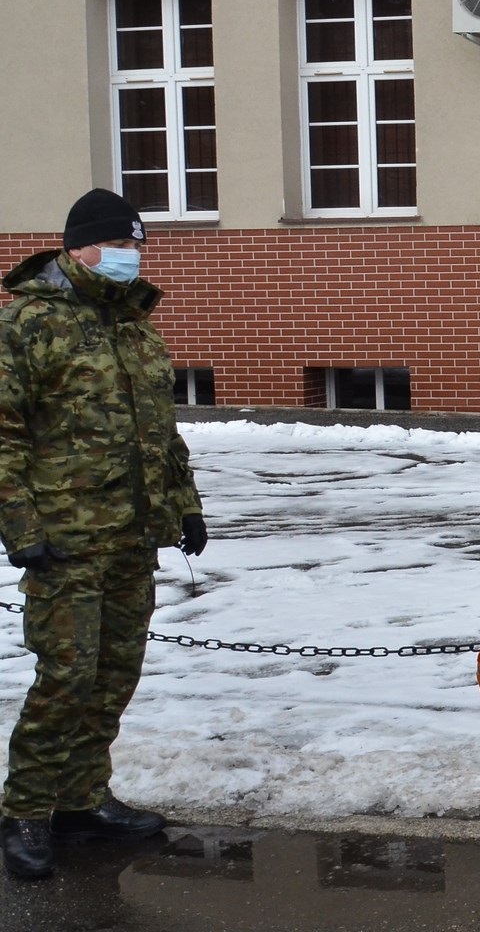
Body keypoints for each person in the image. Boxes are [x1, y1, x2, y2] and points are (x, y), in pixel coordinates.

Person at [0, 189, 208, 879]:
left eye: (135, 246)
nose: (130, 257)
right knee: (67, 675)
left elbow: (162, 434)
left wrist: (184, 506)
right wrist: (22, 527)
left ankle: (82, 801)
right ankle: (25, 812)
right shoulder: (28, 323)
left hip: (131, 535)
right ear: (78, 247)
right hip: (65, 540)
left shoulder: (134, 325)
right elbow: (3, 436)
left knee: (116, 673)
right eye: (118, 245)